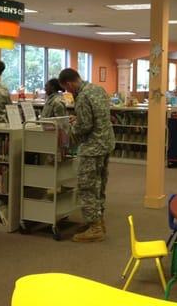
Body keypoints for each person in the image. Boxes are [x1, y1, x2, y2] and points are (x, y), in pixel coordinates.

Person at [58, 68, 115, 242]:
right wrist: (80, 118)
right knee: (99, 184)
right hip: (106, 143)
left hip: (92, 148)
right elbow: (98, 117)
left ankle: (95, 228)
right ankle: (98, 220)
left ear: (69, 83)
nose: (68, 92)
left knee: (87, 186)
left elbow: (85, 126)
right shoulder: (97, 89)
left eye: (67, 89)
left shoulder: (82, 96)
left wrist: (70, 130)